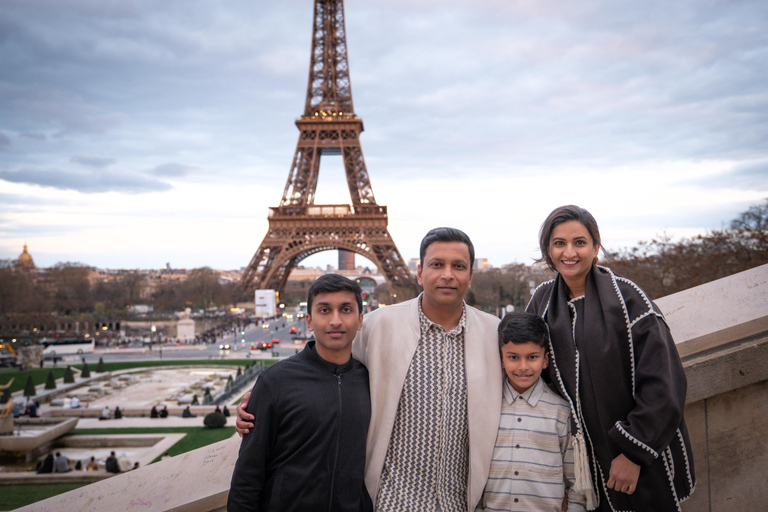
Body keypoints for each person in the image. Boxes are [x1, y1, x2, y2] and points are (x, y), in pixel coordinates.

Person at [237, 228, 503, 511]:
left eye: (458, 266)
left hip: (458, 504)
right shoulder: (377, 325)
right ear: (419, 273)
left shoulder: (495, 334)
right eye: (437, 264)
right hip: (390, 503)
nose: (447, 274)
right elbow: (328, 365)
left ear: (471, 276)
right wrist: (266, 394)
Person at [527, 205, 695, 511]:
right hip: (580, 465)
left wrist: (633, 452)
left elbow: (664, 384)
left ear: (595, 247)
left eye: (579, 242)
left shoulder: (629, 298)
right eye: (559, 243)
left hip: (637, 458)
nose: (570, 252)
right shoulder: (541, 301)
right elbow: (529, 371)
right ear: (548, 251)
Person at [228, 274, 371, 512]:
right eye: (324, 310)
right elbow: (247, 476)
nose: (336, 320)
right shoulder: (275, 381)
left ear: (360, 320)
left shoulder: (371, 380)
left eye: (346, 309)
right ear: (309, 321)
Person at [477, 312, 587, 512]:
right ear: (501, 359)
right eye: (513, 357)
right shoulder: (486, 406)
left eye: (532, 357)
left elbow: (576, 484)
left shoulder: (561, 412)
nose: (523, 367)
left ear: (545, 360)